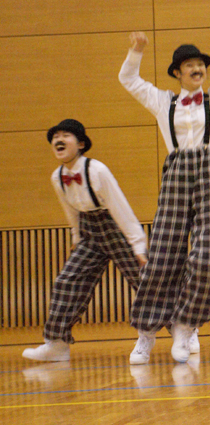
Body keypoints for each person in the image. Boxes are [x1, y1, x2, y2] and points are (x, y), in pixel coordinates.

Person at [120, 29, 210, 364]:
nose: (198, 69)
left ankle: (185, 327)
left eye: (201, 64)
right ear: (177, 73)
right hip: (176, 171)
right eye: (190, 65)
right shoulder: (161, 101)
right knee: (162, 255)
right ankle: (146, 334)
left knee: (207, 251)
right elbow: (128, 78)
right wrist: (136, 50)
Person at [23, 120, 147, 362]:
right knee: (66, 281)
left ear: (80, 144)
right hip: (89, 233)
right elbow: (71, 211)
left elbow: (120, 207)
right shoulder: (57, 177)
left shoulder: (97, 170)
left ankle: (182, 331)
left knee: (146, 281)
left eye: (65, 135)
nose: (58, 140)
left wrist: (138, 245)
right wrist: (76, 236)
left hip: (114, 227)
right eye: (55, 137)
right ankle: (57, 344)